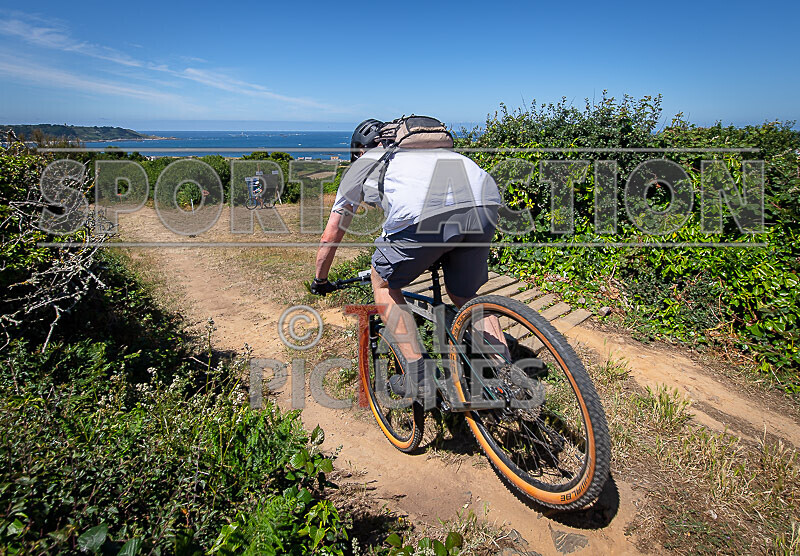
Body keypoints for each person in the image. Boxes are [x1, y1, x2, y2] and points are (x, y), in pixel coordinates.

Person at [310, 118, 503, 407]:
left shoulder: (363, 164)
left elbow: (331, 235)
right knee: (465, 294)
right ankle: (506, 374)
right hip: (485, 202)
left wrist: (320, 280)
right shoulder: (428, 153)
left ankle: (419, 376)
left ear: (360, 150)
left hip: (424, 216)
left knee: (383, 283)